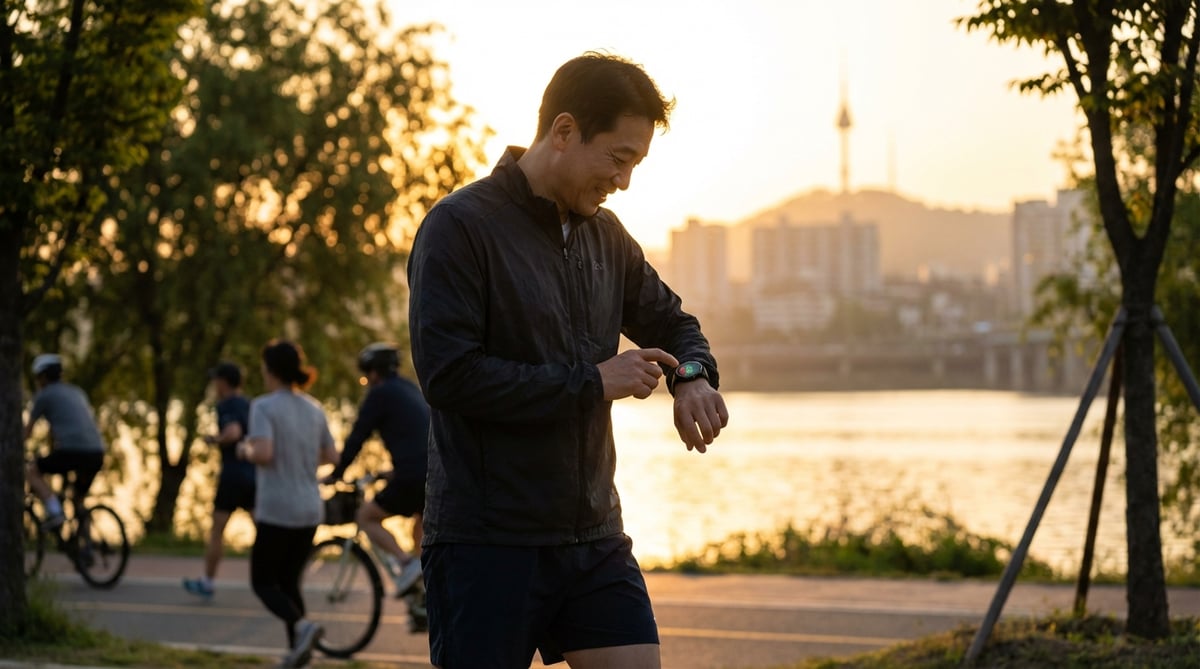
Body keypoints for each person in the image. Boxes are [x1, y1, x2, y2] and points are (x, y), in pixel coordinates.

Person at [407, 52, 730, 669]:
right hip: (486, 541)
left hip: (594, 536)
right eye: (618, 158)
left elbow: (675, 324)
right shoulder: (459, 227)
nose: (625, 181)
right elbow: (449, 376)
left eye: (635, 163)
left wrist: (692, 378)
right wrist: (592, 383)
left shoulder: (608, 236)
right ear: (563, 131)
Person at [238, 340, 337, 668]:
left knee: (263, 582)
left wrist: (244, 450)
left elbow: (264, 453)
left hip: (278, 508)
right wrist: (304, 460)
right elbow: (331, 456)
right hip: (310, 508)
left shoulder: (263, 406)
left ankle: (302, 627)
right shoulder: (314, 408)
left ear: (271, 370)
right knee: (290, 581)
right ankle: (299, 651)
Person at [324, 343, 429, 594]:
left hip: (412, 474)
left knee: (366, 517)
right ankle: (423, 595)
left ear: (373, 373)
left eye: (364, 377)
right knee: (421, 522)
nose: (366, 383)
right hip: (432, 472)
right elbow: (418, 439)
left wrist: (337, 473)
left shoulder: (380, 394)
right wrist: (391, 472)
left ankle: (405, 564)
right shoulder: (410, 388)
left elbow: (358, 436)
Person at [183, 361, 256, 600]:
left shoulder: (227, 405)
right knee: (263, 531)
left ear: (224, 382)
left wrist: (216, 439)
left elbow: (233, 432)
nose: (214, 384)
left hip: (233, 476)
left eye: (216, 379)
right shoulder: (249, 404)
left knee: (217, 531)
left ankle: (208, 581)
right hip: (253, 474)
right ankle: (280, 576)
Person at [24, 353, 107, 530]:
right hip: (97, 452)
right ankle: (87, 547)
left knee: (32, 471)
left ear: (43, 377)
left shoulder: (44, 395)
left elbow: (27, 432)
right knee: (78, 499)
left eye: (38, 378)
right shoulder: (77, 392)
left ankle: (55, 512)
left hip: (72, 452)